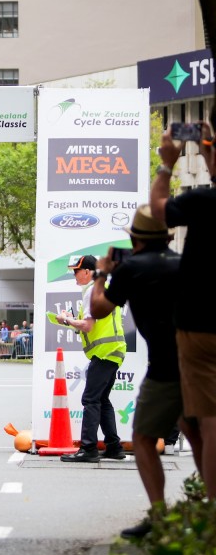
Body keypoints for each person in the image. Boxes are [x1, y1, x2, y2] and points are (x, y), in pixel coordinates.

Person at [89, 205, 203, 538]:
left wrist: (102, 273)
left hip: (164, 367)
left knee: (142, 438)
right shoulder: (185, 264)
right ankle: (207, 509)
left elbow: (98, 307)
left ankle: (159, 517)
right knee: (197, 435)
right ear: (166, 237)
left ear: (135, 239)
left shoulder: (132, 268)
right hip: (198, 360)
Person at [151, 116, 216, 498]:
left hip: (201, 325)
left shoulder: (203, 202)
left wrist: (167, 162)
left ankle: (211, 514)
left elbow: (159, 209)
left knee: (210, 423)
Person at [56, 255, 126, 464]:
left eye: (76, 271)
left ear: (87, 271)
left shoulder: (91, 292)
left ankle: (88, 449)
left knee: (90, 400)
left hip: (104, 352)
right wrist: (71, 321)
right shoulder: (103, 289)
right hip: (113, 351)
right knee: (102, 400)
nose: (74, 276)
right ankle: (114, 447)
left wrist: (65, 319)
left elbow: (88, 326)